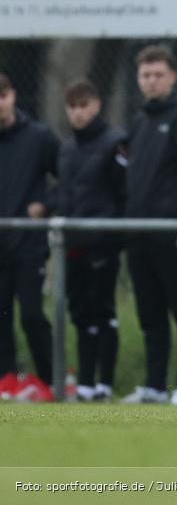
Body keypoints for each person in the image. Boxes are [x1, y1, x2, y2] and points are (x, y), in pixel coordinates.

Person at [122, 46, 177, 406]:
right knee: (150, 314)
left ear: (172, 76)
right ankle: (155, 386)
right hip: (140, 235)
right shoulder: (140, 121)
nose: (152, 81)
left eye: (158, 74)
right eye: (145, 75)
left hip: (176, 235)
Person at [58, 80, 127, 402]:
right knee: (81, 314)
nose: (78, 113)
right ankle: (85, 382)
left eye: (83, 105)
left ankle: (105, 383)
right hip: (74, 244)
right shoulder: (67, 149)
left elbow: (124, 193)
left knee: (103, 311)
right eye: (72, 107)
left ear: (97, 105)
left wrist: (116, 237)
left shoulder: (115, 143)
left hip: (103, 243)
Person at [0, 73, 58, 401]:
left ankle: (50, 380)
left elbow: (69, 179)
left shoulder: (39, 137)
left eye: (2, 96)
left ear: (12, 96)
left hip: (29, 245)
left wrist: (46, 205)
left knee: (32, 316)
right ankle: (7, 380)